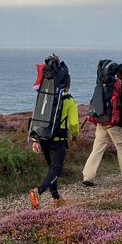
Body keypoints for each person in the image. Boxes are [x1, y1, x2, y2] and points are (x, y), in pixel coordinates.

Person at [81, 64, 122, 186]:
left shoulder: (103, 87)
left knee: (97, 149)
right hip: (116, 125)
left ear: (115, 74)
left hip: (101, 123)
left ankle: (87, 176)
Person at [30, 80, 81, 209]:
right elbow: (74, 124)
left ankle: (56, 198)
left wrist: (35, 140)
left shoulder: (45, 98)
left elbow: (37, 117)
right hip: (58, 140)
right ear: (68, 85)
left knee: (51, 168)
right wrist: (75, 135)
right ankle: (38, 192)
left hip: (43, 138)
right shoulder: (69, 101)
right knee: (56, 169)